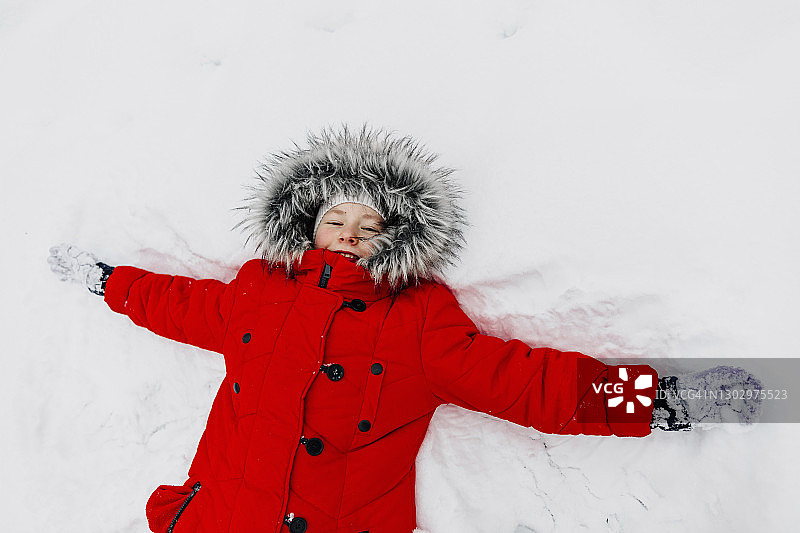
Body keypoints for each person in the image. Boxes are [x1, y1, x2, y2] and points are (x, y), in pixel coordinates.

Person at [48, 126, 759, 533]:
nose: (349, 234)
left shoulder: (416, 321)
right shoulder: (257, 295)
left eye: (370, 224)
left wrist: (666, 399)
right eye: (335, 219)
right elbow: (174, 303)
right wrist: (105, 280)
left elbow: (528, 384)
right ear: (307, 224)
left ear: (397, 238)